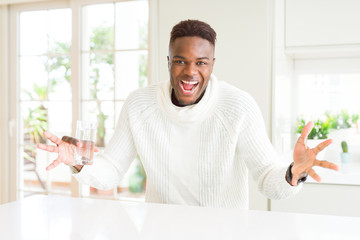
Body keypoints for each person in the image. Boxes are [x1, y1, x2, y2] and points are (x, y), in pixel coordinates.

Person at [38, 20, 338, 209]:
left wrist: (293, 172)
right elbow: (111, 171)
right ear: (168, 61)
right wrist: (78, 161)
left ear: (212, 64)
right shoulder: (139, 105)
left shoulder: (238, 106)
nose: (190, 72)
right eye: (180, 61)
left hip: (223, 232)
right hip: (161, 231)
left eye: (201, 63)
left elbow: (266, 177)